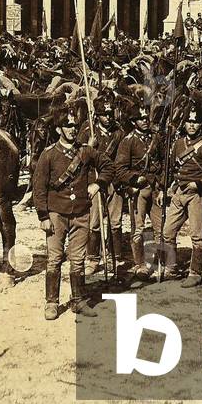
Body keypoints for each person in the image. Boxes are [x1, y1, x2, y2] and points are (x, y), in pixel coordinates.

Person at [31, 110, 113, 320]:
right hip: (56, 214)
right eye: (68, 126)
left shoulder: (85, 152)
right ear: (59, 129)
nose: (72, 129)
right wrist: (43, 216)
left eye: (74, 126)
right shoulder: (48, 154)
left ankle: (78, 300)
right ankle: (52, 303)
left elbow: (108, 166)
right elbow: (38, 187)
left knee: (77, 259)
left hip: (81, 212)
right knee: (55, 259)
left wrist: (98, 184)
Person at [161, 107, 202, 287]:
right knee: (167, 231)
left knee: (197, 236)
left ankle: (195, 272)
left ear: (200, 124)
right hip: (179, 192)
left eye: (195, 122)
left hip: (195, 194)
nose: (192, 125)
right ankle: (171, 267)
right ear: (184, 123)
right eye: (189, 121)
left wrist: (200, 184)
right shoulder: (178, 143)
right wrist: (169, 186)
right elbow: (172, 169)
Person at [115, 105, 161, 282]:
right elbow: (120, 169)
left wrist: (162, 184)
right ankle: (140, 264)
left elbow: (163, 161)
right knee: (138, 229)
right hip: (139, 189)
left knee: (160, 227)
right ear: (134, 122)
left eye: (145, 118)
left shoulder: (155, 138)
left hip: (155, 187)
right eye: (140, 119)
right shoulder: (128, 141)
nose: (144, 121)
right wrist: (134, 180)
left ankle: (159, 262)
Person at [83, 100, 126, 278]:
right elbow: (80, 158)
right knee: (94, 222)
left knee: (115, 222)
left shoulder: (119, 133)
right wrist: (89, 147)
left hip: (114, 182)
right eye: (103, 115)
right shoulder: (88, 131)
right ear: (97, 115)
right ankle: (92, 259)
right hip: (96, 182)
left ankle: (114, 258)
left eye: (109, 114)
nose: (107, 118)